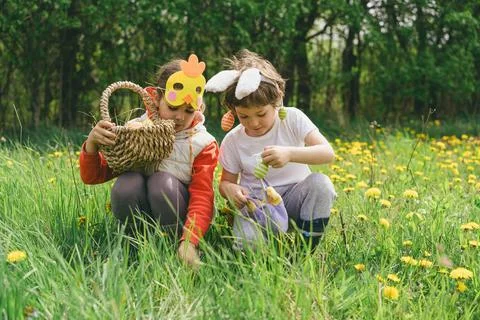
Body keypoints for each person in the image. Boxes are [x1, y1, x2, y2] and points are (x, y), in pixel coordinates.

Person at [79, 54, 219, 269]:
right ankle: (132, 247)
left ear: (199, 109)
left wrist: (190, 240)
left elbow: (203, 197)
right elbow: (93, 176)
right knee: (127, 183)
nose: (180, 117)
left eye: (189, 111)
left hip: (178, 217)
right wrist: (92, 144)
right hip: (140, 211)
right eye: (173, 108)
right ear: (154, 98)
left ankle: (173, 248)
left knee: (162, 182)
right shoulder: (137, 130)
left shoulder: (202, 143)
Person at [205, 49, 336, 251]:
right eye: (244, 116)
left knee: (321, 185)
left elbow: (327, 153)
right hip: (257, 205)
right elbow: (226, 183)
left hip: (294, 198)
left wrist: (290, 154)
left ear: (277, 100)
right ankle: (259, 242)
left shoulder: (292, 118)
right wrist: (230, 190)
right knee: (248, 248)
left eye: (261, 113)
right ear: (233, 111)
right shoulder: (233, 140)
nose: (254, 122)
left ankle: (304, 249)